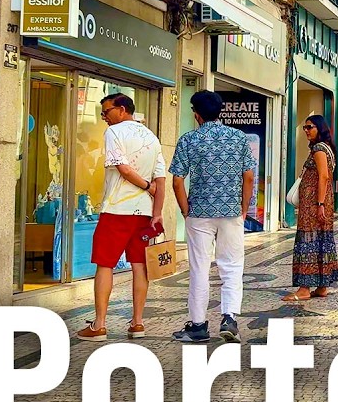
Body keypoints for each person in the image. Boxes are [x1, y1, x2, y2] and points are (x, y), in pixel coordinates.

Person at [76, 94, 167, 341]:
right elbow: (162, 180)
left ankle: (99, 325)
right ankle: (137, 323)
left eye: (106, 111)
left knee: (104, 265)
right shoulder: (151, 136)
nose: (103, 117)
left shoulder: (115, 132)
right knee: (139, 265)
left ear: (122, 109)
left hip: (117, 210)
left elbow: (124, 169)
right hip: (144, 214)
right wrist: (157, 213)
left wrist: (146, 186)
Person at [169, 91, 256, 343]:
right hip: (231, 212)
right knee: (232, 266)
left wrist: (186, 210)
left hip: (199, 214)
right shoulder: (239, 138)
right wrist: (242, 206)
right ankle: (229, 318)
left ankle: (197, 326)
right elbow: (248, 176)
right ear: (221, 111)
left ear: (196, 114)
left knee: (199, 268)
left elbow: (177, 181)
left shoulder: (189, 140)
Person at [282, 115, 338, 301]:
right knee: (321, 240)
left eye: (310, 127)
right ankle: (322, 286)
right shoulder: (327, 148)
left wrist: (319, 204)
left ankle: (304, 289)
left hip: (313, 204)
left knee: (308, 241)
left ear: (320, 128)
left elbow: (323, 176)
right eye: (305, 127)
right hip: (320, 202)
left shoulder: (318, 149)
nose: (306, 130)